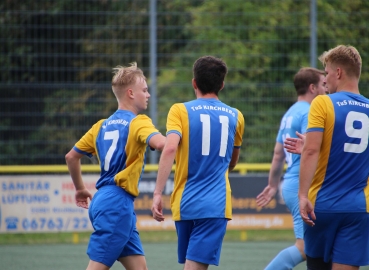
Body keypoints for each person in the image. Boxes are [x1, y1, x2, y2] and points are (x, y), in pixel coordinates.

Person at [65, 62, 165, 270]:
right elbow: (162, 144)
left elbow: (71, 157)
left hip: (105, 200)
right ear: (130, 93)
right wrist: (181, 133)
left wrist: (80, 189)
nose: (148, 95)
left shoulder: (100, 125)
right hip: (117, 204)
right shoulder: (139, 122)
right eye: (144, 90)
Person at [151, 55, 245, 270]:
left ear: (194, 82)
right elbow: (232, 161)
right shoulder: (236, 115)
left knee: (190, 264)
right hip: (215, 204)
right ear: (222, 84)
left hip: (184, 203)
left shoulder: (179, 110)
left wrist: (157, 192)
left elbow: (171, 147)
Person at [299, 45, 369, 270]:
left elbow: (312, 151)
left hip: (322, 206)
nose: (325, 80)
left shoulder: (323, 102)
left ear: (338, 73)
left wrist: (302, 195)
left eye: (327, 73)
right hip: (358, 208)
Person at [256, 67, 327, 270]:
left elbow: (278, 153)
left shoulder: (290, 113)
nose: (326, 88)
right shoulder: (310, 112)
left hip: (291, 182)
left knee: (316, 246)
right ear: (312, 88)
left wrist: (272, 184)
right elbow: (311, 148)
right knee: (305, 247)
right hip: (301, 184)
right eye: (323, 84)